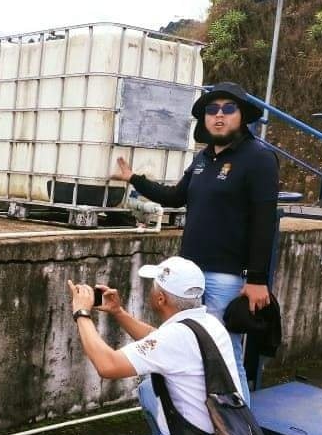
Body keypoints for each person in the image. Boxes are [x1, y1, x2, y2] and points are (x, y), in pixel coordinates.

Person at [113, 82, 279, 402]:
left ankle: (242, 434)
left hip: (225, 277)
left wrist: (257, 279)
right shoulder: (204, 159)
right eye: (211, 110)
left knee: (224, 355)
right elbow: (175, 196)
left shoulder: (258, 158)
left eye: (228, 109)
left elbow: (264, 221)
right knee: (194, 350)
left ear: (242, 115)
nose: (219, 115)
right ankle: (209, 424)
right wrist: (134, 179)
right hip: (192, 277)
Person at [65, 256, 244, 435]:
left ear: (160, 298)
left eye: (154, 286)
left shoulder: (176, 338)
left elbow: (107, 366)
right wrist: (118, 312)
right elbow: (157, 340)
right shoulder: (208, 322)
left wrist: (81, 315)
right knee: (149, 388)